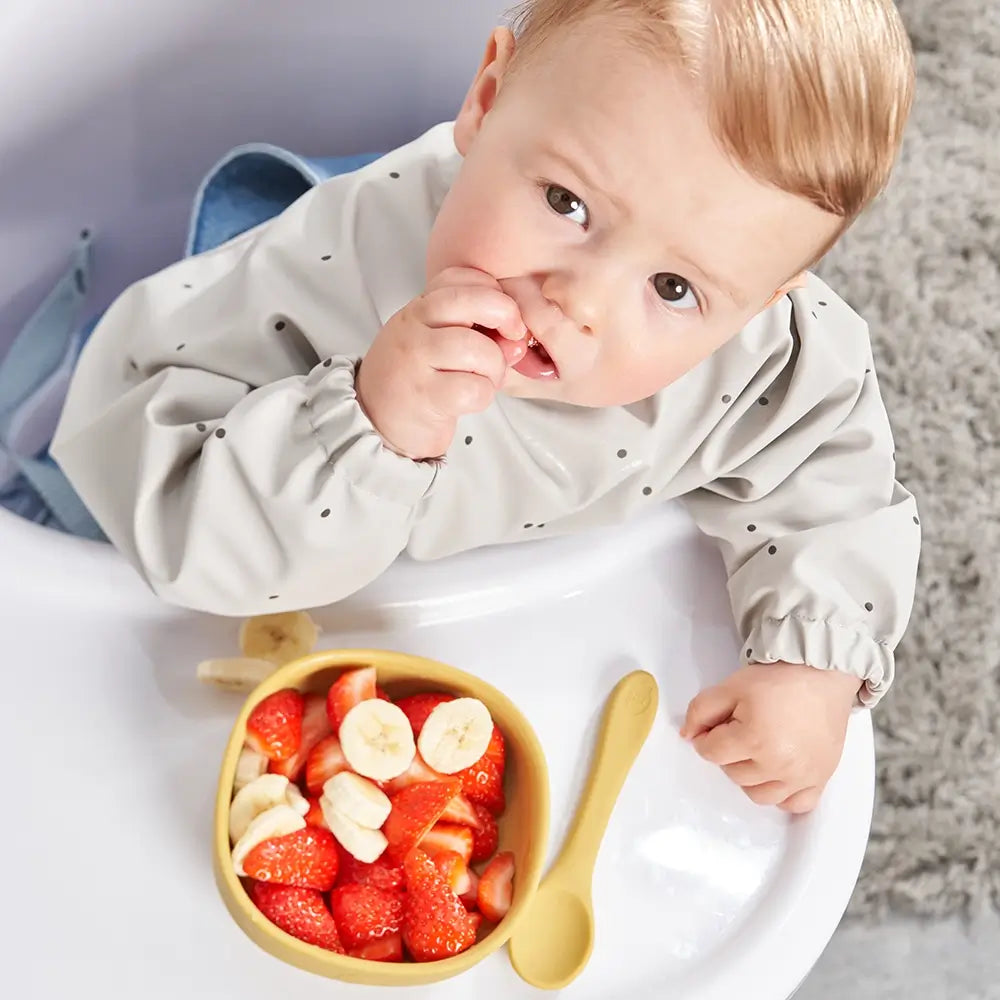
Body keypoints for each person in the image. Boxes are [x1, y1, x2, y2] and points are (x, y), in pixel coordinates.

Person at [51, 0, 920, 813]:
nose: (578, 301)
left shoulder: (763, 356)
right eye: (566, 203)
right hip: (270, 552)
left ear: (768, 299)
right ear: (486, 96)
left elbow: (832, 471)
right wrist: (363, 420)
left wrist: (815, 661)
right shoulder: (332, 263)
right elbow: (150, 453)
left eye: (672, 286)